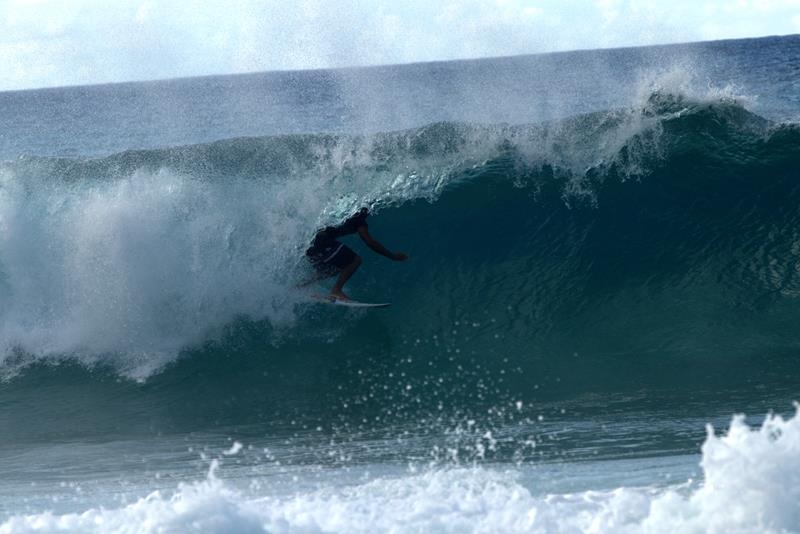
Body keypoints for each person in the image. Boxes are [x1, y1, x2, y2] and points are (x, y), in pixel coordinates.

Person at [304, 207, 408, 301]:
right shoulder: (359, 220)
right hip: (323, 243)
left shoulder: (345, 211)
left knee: (331, 270)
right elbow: (369, 242)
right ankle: (336, 290)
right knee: (355, 261)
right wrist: (392, 256)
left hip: (308, 246)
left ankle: (301, 286)